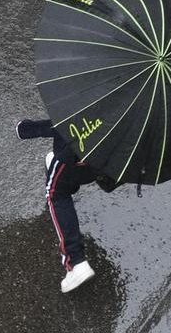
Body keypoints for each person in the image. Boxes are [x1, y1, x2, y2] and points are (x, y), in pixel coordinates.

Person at [16, 118, 110, 293]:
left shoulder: (106, 97)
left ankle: (75, 262)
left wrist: (30, 129)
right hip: (113, 163)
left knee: (56, 193)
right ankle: (68, 176)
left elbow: (70, 123)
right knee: (65, 167)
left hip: (83, 153)